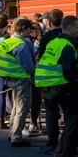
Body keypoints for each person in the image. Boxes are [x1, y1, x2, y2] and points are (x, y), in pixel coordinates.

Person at [0, 18, 36, 147]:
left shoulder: (9, 41)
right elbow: (29, 67)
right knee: (22, 107)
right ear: (23, 28)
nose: (31, 31)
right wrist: (34, 72)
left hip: (11, 79)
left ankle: (12, 133)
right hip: (22, 79)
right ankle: (16, 136)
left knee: (16, 107)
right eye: (29, 28)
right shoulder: (21, 45)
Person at [35, 15, 78, 156]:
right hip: (61, 85)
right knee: (72, 120)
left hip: (44, 84)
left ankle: (57, 148)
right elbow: (68, 72)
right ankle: (66, 152)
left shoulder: (54, 41)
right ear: (70, 27)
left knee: (53, 115)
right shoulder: (69, 45)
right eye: (77, 27)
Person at [36, 9, 64, 155]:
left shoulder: (47, 38)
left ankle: (52, 143)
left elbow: (41, 56)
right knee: (70, 113)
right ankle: (69, 142)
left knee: (51, 113)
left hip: (50, 80)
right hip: (66, 79)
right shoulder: (68, 36)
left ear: (49, 21)